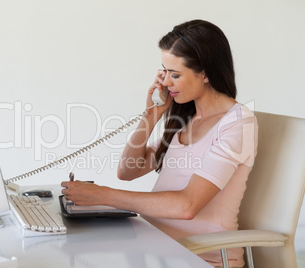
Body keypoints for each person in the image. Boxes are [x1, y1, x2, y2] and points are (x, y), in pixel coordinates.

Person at [61, 19, 258, 267]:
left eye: (175, 75)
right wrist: (152, 114)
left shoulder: (238, 124)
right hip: (156, 247)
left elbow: (187, 205)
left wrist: (104, 195)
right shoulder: (186, 118)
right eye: (164, 72)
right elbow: (128, 171)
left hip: (200, 257)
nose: (165, 82)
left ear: (206, 73)